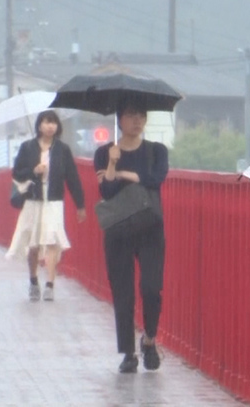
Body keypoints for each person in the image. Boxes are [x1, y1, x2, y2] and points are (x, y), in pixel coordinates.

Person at [94, 99, 169, 374]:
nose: (137, 120)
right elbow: (107, 192)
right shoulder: (104, 153)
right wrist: (113, 164)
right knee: (123, 292)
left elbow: (155, 179)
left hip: (150, 228)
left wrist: (124, 173)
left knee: (151, 287)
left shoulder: (156, 150)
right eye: (130, 115)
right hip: (118, 230)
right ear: (119, 120)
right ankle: (128, 353)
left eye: (141, 115)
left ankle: (149, 339)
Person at [7, 110, 87, 302]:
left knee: (52, 241)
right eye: (46, 122)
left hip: (54, 201)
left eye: (54, 122)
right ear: (39, 126)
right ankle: (34, 281)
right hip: (33, 200)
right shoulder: (27, 148)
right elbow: (17, 173)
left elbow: (73, 178)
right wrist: (34, 171)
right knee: (33, 244)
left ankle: (50, 285)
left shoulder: (63, 149)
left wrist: (80, 204)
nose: (50, 126)